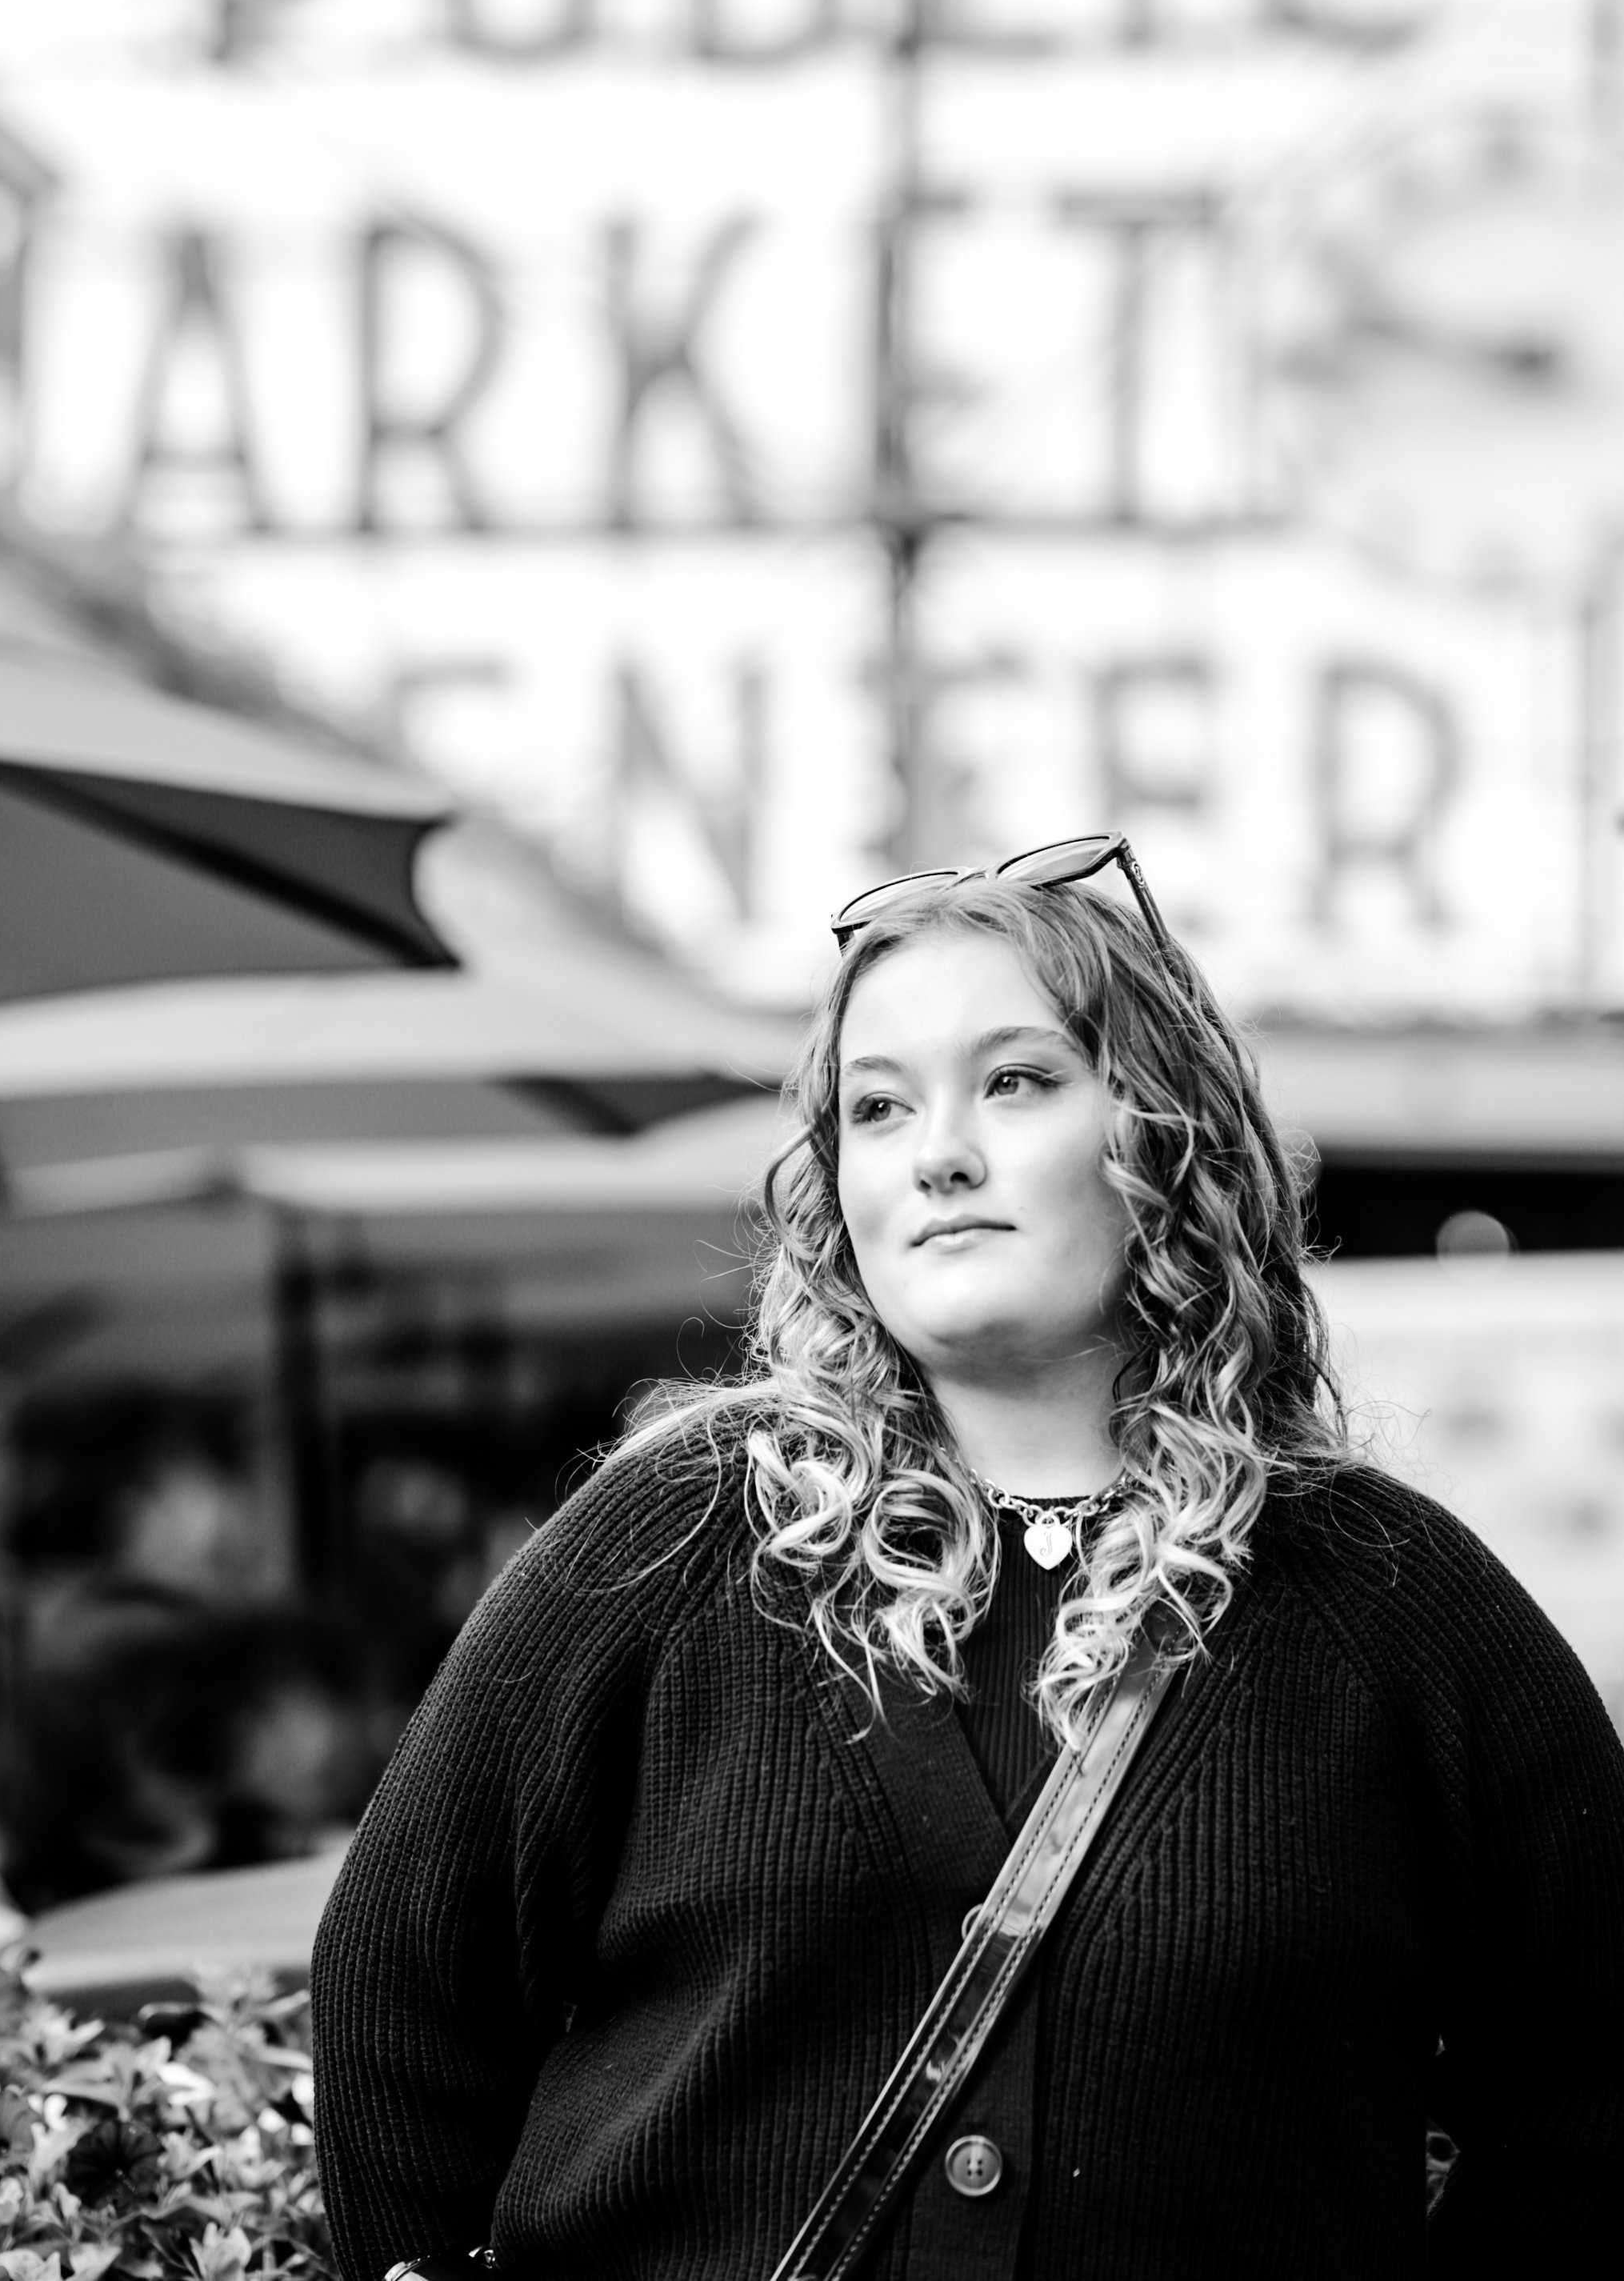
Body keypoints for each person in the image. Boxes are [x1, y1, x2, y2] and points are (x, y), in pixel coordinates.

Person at [312, 835, 1624, 2280]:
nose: (938, 1151)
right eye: (876, 1108)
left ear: (1162, 1134)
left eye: (1014, 1080)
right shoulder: (672, 1542)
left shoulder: (1389, 1597)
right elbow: (399, 1989)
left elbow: (1590, 2064)